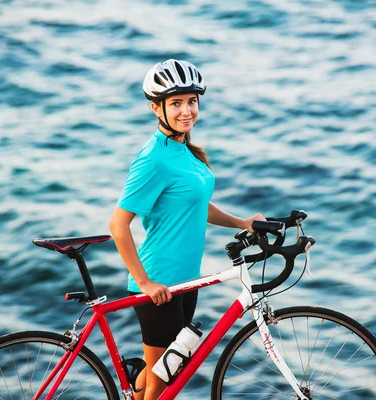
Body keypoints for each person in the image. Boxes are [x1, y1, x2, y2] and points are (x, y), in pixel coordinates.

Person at [109, 59, 265, 400]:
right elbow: (118, 225)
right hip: (160, 285)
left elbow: (196, 205)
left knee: (167, 373)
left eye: (191, 101)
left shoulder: (184, 152)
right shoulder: (153, 158)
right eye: (176, 103)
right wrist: (146, 282)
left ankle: (136, 385)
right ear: (156, 107)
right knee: (161, 390)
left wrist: (241, 223)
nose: (186, 110)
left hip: (187, 281)